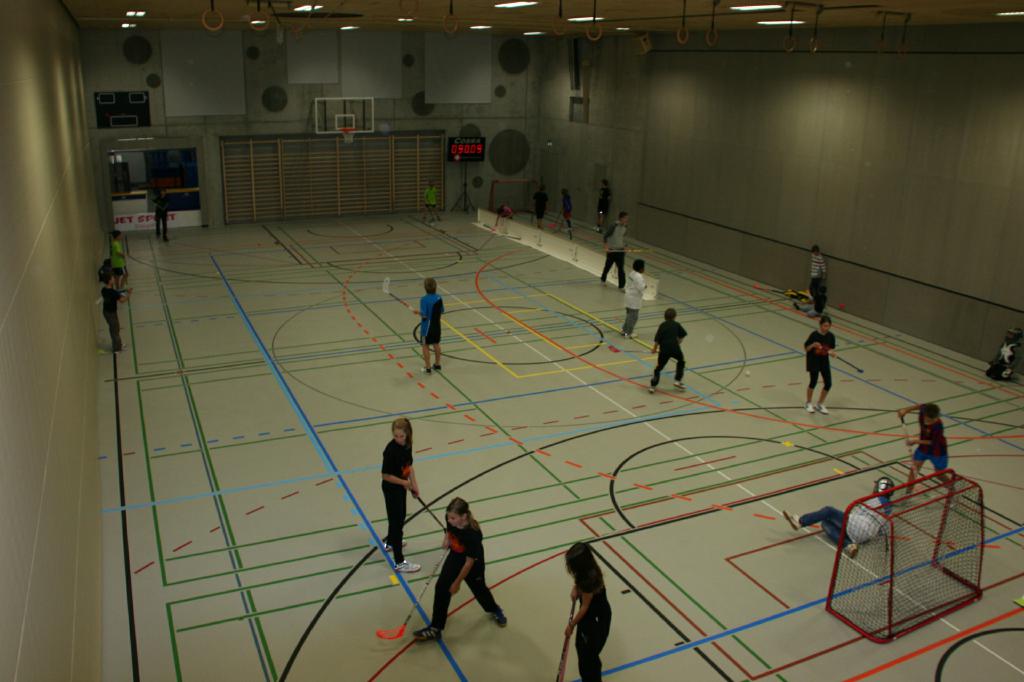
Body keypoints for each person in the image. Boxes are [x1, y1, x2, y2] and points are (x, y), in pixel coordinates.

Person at [413, 497, 507, 641]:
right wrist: (446, 539)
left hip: (473, 562)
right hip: (456, 555)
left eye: (453, 518)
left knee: (479, 589)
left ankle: (494, 609)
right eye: (448, 517)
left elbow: (469, 563)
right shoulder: (450, 519)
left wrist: (457, 583)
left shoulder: (473, 535)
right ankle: (436, 628)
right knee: (441, 587)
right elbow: (449, 530)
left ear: (463, 516)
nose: (449, 520)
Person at [782, 477, 895, 559]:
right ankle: (849, 545)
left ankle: (800, 522)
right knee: (825, 524)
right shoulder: (889, 508)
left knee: (829, 511)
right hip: (864, 537)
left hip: (857, 526)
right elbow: (882, 530)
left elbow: (855, 510)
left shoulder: (876, 499)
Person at [564, 543, 612, 682]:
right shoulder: (589, 569)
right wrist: (576, 588)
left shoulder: (589, 580)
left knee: (588, 659)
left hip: (595, 621)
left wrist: (571, 625)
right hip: (591, 617)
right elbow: (579, 581)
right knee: (582, 650)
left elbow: (584, 607)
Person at [381, 417, 421, 573]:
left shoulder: (407, 445)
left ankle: (391, 542)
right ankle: (399, 562)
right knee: (397, 522)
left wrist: (414, 485)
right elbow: (385, 476)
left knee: (400, 516)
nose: (398, 439)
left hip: (400, 488)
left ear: (407, 434)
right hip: (391, 489)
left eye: (401, 436)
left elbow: (408, 466)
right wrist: (404, 483)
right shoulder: (390, 450)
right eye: (395, 436)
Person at [897, 402, 950, 494]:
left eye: (932, 420)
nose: (929, 422)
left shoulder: (938, 426)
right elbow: (920, 406)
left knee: (939, 474)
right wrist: (906, 410)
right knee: (914, 469)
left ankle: (952, 487)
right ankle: (908, 492)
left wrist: (915, 441)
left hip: (937, 451)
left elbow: (933, 442)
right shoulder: (924, 410)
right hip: (923, 449)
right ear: (925, 414)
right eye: (928, 419)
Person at [804, 315, 837, 414]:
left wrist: (832, 353)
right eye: (824, 326)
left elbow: (830, 348)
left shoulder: (831, 336)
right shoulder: (814, 335)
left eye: (828, 326)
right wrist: (813, 345)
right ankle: (808, 403)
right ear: (820, 325)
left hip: (824, 361)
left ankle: (820, 404)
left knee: (828, 383)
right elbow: (806, 348)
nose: (826, 328)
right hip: (814, 361)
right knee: (813, 382)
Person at [649, 307, 687, 393]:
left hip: (664, 350)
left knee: (658, 368)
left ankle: (653, 386)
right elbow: (682, 335)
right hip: (675, 349)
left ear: (664, 317)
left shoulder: (662, 325)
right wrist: (678, 342)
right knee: (681, 361)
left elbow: (657, 339)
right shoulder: (677, 324)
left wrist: (654, 349)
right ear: (675, 317)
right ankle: (677, 380)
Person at [100, 271, 131, 353]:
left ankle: (118, 344)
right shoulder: (112, 292)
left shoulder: (104, 290)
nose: (114, 279)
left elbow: (115, 293)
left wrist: (124, 290)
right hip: (111, 314)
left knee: (114, 329)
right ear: (110, 280)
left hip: (107, 312)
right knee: (115, 331)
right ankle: (117, 349)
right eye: (112, 278)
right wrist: (128, 294)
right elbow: (122, 300)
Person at [420, 277, 444, 374]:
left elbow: (424, 315)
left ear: (425, 287)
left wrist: (418, 312)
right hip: (437, 326)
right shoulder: (439, 298)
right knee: (436, 344)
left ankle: (428, 367)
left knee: (425, 345)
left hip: (426, 328)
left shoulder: (424, 299)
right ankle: (437, 364)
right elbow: (442, 311)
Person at [601, 211, 629, 289]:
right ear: (621, 218)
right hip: (612, 250)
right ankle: (603, 279)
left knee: (621, 269)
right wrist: (606, 246)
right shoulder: (613, 225)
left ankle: (621, 286)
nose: (627, 220)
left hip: (620, 251)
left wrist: (625, 246)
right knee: (607, 266)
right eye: (625, 218)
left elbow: (622, 238)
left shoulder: (626, 227)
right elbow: (605, 236)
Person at [621, 259, 646, 338]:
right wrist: (645, 286)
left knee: (629, 315)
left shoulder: (632, 273)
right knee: (633, 317)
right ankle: (628, 333)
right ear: (641, 268)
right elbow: (641, 287)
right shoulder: (639, 276)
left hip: (628, 297)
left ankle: (624, 330)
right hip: (633, 300)